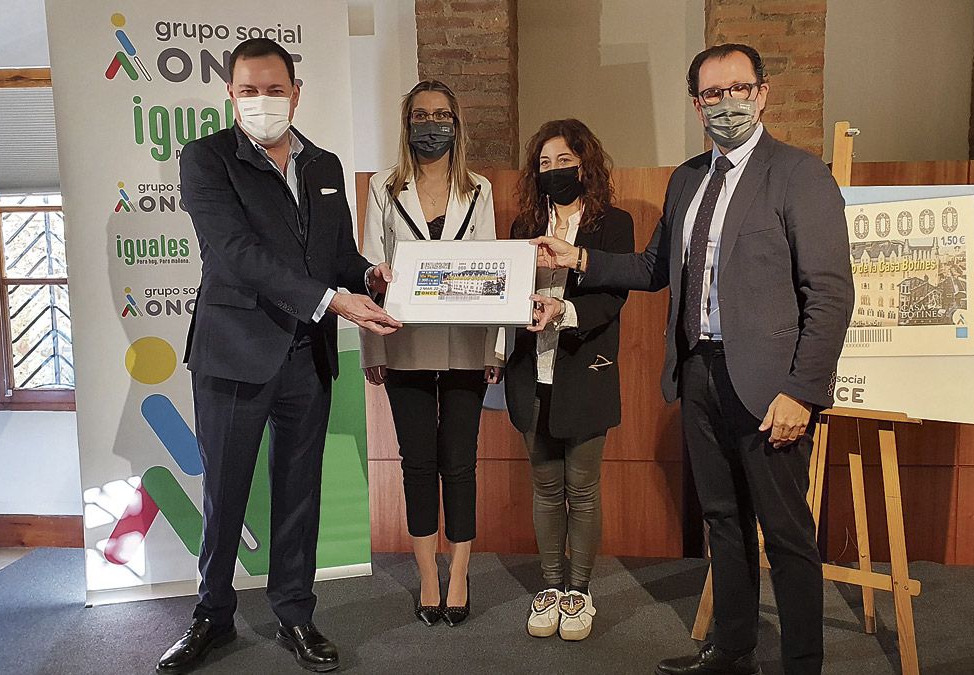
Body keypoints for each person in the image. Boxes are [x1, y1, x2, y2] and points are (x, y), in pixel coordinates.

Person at [532, 44, 854, 675]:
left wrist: (804, 391)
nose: (725, 103)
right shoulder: (687, 179)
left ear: (762, 93)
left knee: (787, 536)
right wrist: (579, 261)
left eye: (737, 89)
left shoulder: (799, 174)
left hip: (772, 387)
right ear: (697, 104)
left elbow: (831, 292)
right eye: (711, 93)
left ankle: (802, 664)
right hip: (699, 371)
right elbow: (655, 269)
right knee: (722, 521)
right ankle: (732, 653)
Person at [159, 38, 401, 674]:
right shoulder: (207, 159)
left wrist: (369, 275)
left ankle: (295, 613)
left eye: (274, 89)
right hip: (234, 353)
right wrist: (333, 298)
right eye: (248, 90)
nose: (262, 101)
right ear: (230, 96)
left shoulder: (323, 164)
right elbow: (235, 253)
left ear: (296, 93)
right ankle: (211, 617)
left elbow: (335, 254)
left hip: (306, 356)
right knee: (226, 492)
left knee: (300, 492)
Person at [360, 80, 501, 629]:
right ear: (407, 123)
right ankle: (426, 577)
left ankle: (459, 574)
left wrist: (494, 344)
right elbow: (370, 270)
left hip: (467, 341)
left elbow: (493, 273)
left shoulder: (480, 189)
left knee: (460, 464)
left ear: (456, 123)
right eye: (420, 115)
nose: (431, 123)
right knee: (418, 464)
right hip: (405, 341)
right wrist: (374, 342)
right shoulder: (383, 189)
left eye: (441, 114)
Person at [507, 120, 633, 642]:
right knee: (544, 489)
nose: (555, 171)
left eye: (565, 161)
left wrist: (564, 309)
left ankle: (579, 593)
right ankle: (553, 587)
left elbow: (613, 294)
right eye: (544, 164)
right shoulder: (521, 229)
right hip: (530, 372)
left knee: (581, 490)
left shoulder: (613, 224)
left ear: (585, 164)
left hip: (586, 371)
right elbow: (505, 295)